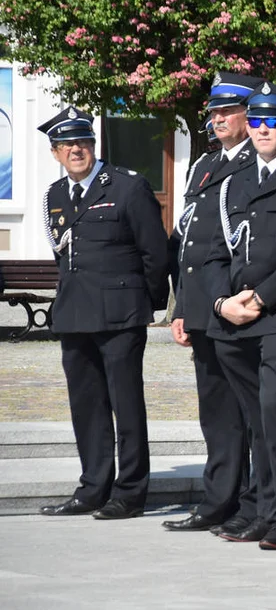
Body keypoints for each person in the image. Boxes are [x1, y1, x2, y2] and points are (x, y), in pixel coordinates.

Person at [37, 106, 169, 519]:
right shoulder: (55, 196)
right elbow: (65, 258)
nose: (76, 150)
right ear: (55, 153)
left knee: (126, 405)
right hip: (75, 314)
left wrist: (145, 304)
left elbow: (155, 253)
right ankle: (92, 487)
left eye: (83, 142)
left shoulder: (128, 187)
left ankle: (129, 493)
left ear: (94, 145)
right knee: (87, 405)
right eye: (67, 145)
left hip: (120, 315)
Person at [202, 82, 276, 549]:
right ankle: (262, 509)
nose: (263, 129)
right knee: (253, 417)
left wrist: (261, 298)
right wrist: (221, 303)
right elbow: (210, 254)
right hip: (233, 316)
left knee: (274, 410)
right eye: (258, 121)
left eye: (274, 122)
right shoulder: (233, 181)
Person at [164, 72, 262, 534]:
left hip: (238, 303)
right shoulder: (204, 165)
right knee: (216, 410)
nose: (218, 119)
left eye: (228, 111)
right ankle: (219, 498)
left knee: (251, 411)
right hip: (203, 304)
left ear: (250, 115)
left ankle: (252, 500)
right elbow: (188, 244)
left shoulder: (257, 163)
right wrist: (182, 307)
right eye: (214, 112)